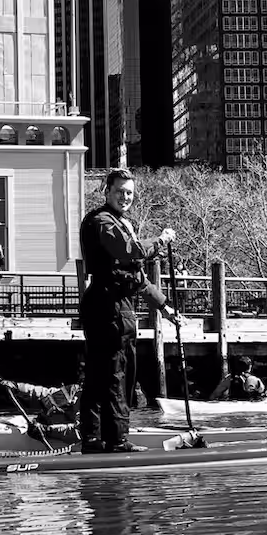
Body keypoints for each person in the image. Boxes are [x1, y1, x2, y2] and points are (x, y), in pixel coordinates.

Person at [78, 167, 183, 454]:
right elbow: (129, 250)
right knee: (113, 374)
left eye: (129, 193)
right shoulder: (102, 222)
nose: (125, 197)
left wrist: (164, 306)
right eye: (120, 191)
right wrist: (159, 242)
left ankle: (95, 438)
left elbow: (137, 278)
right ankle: (113, 441)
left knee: (112, 373)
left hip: (119, 306)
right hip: (105, 307)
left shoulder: (122, 221)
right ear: (107, 192)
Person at [0, 373, 81, 444]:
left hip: (54, 441)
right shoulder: (75, 391)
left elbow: (79, 432)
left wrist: (45, 430)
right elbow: (47, 394)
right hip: (38, 427)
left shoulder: (91, 405)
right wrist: (17, 387)